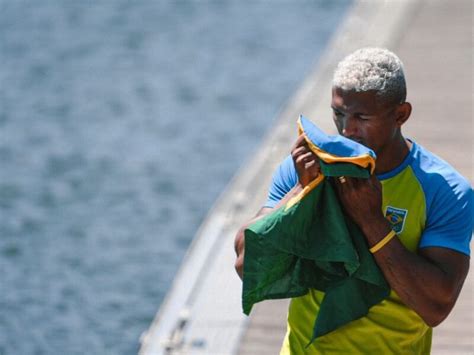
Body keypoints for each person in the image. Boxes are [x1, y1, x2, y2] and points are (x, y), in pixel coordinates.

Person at [233, 47, 472, 354]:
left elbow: (436, 306)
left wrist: (372, 221)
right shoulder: (305, 168)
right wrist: (299, 196)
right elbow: (245, 262)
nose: (346, 130)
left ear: (401, 115)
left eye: (361, 116)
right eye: (338, 113)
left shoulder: (445, 190)